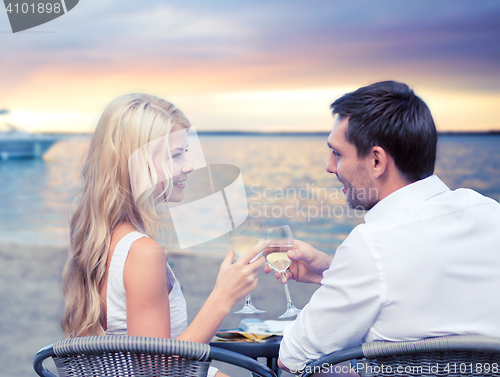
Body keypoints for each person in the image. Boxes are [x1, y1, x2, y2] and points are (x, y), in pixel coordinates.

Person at [266, 81, 500, 374]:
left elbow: (293, 357)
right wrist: (334, 271)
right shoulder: (489, 213)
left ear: (376, 160)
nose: (329, 167)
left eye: (337, 153)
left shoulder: (372, 244)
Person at [61, 93, 266, 377]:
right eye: (175, 154)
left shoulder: (104, 237)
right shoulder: (142, 253)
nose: (189, 165)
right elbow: (157, 371)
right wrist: (223, 296)